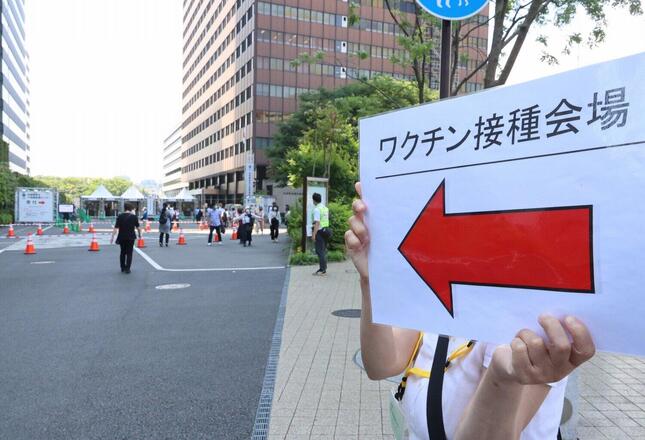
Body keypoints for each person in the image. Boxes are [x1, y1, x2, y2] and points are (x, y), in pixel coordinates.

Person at [344, 182, 596, 440]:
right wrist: (370, 282)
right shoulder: (444, 281)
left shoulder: (537, 304)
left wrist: (503, 376)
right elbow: (381, 364)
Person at [110, 203, 142, 274]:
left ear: (124, 208)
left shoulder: (120, 216)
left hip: (122, 236)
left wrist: (112, 237)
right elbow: (138, 228)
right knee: (129, 253)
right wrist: (140, 235)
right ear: (131, 209)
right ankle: (128, 268)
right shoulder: (134, 217)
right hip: (131, 237)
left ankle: (122, 267)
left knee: (122, 252)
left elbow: (116, 228)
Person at [311, 193, 330, 275]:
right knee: (323, 250)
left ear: (314, 200)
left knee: (319, 251)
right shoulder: (325, 208)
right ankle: (323, 268)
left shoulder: (317, 209)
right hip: (327, 230)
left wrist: (314, 234)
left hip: (320, 231)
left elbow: (317, 223)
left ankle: (322, 270)